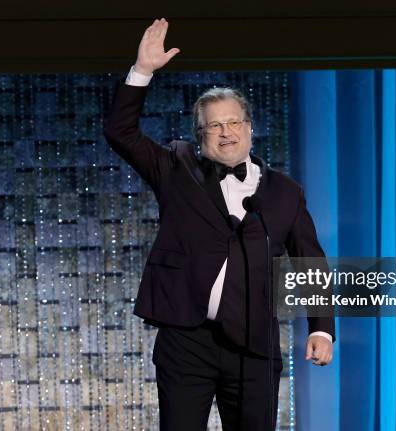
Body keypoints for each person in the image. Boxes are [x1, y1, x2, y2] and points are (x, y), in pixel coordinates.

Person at [103, 18, 334, 431]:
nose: (225, 134)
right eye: (214, 125)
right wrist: (142, 71)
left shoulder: (285, 192)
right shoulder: (177, 167)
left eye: (233, 123)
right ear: (200, 135)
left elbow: (309, 262)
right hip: (186, 340)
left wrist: (322, 330)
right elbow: (120, 131)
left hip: (254, 344)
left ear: (249, 129)